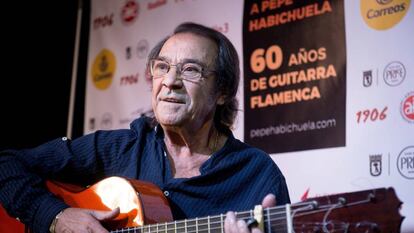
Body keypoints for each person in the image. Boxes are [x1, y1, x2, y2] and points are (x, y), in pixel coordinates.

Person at [0, 22, 290, 233]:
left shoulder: (257, 175)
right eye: (162, 67)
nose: (169, 80)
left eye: (190, 70)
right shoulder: (120, 148)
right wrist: (55, 217)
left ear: (223, 91)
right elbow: (6, 165)